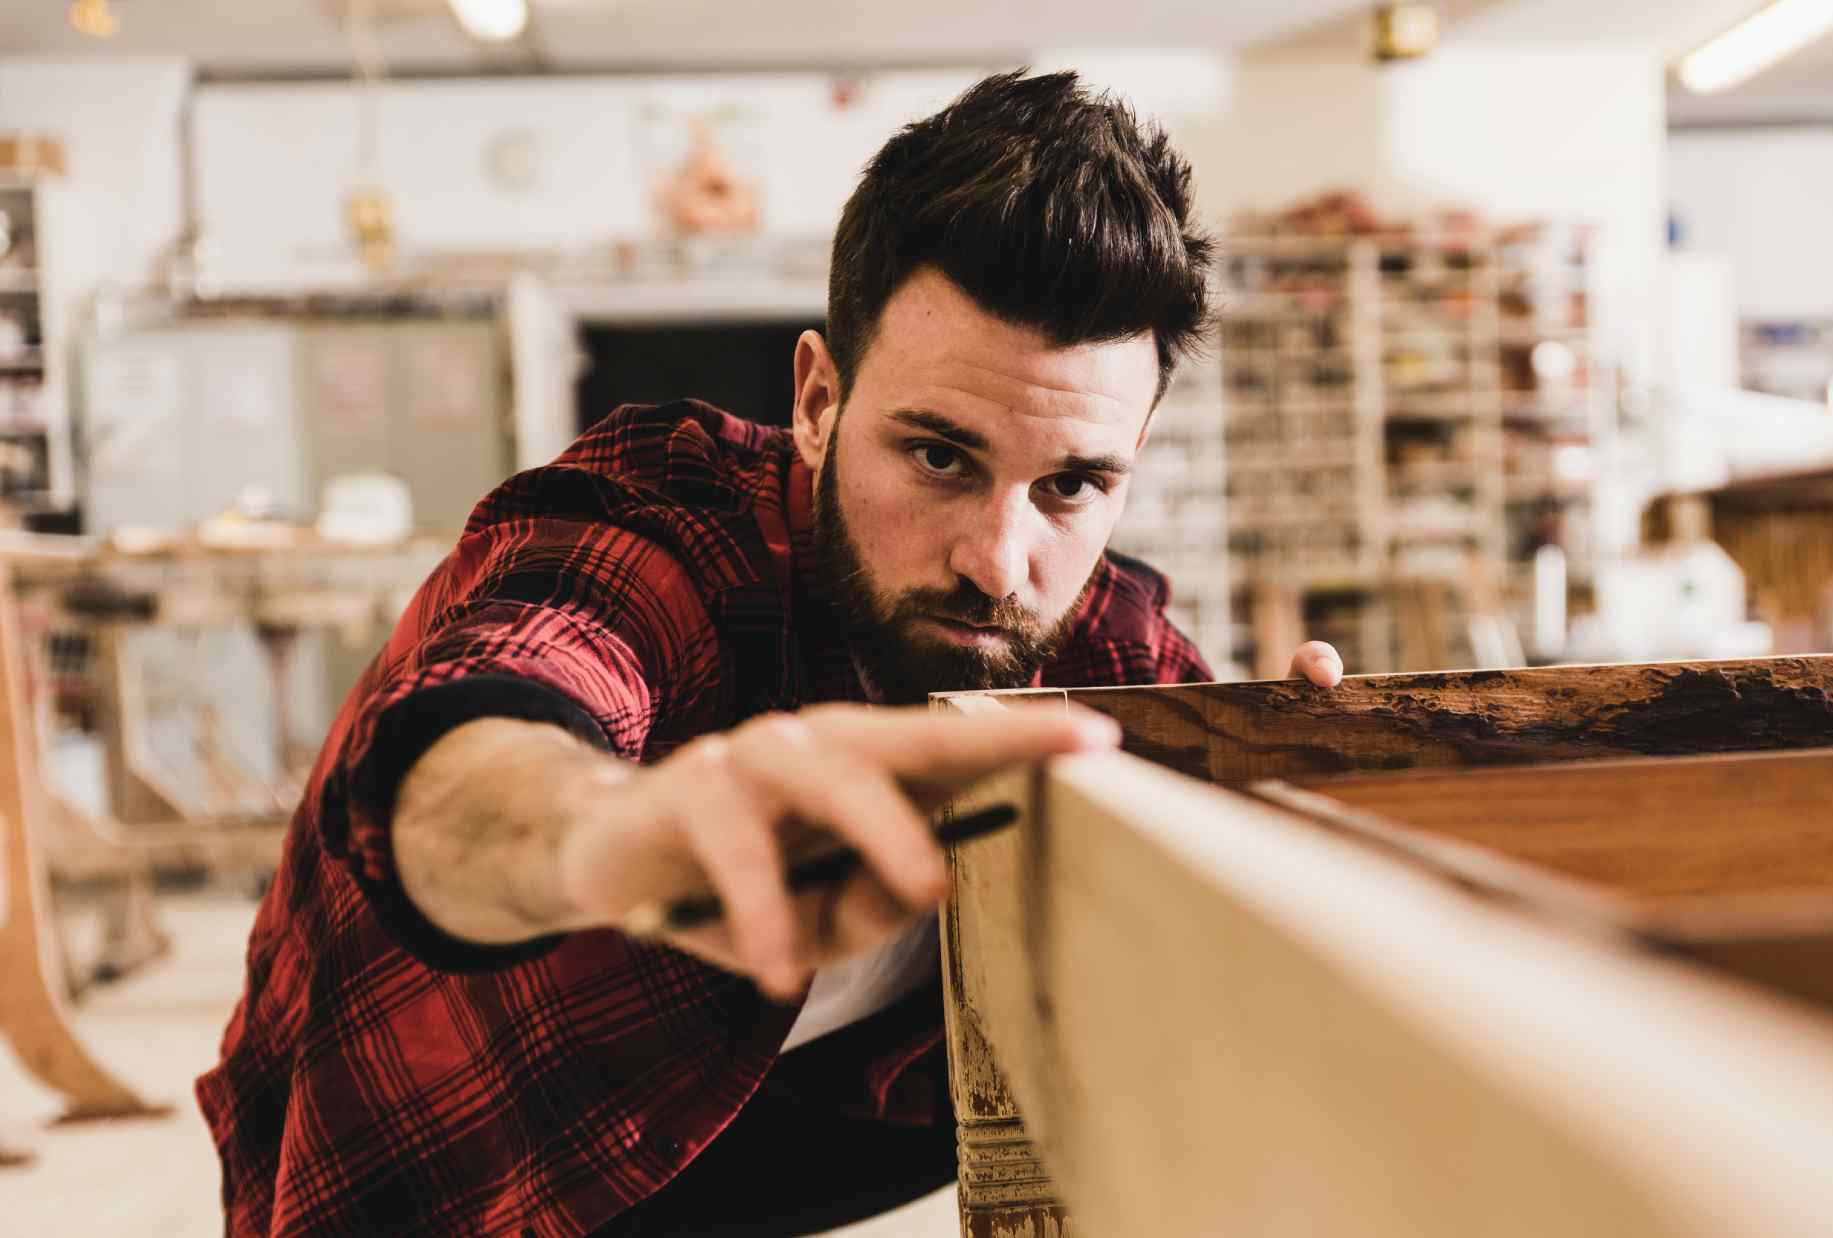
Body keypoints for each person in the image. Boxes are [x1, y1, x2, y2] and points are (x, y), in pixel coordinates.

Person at [196, 70, 1345, 1237]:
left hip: (794, 1121)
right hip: (477, 1125)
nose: (999, 563)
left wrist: (1323, 777)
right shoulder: (660, 529)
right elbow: (491, 722)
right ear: (815, 400)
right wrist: (605, 833)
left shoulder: (1105, 639)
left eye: (1070, 484)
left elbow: (1260, 873)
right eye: (940, 457)